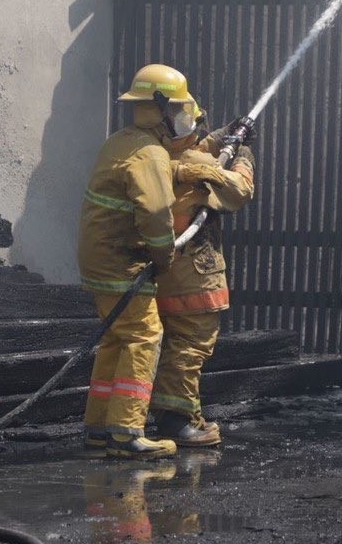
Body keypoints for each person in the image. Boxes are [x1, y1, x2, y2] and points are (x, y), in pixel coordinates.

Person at [78, 63, 203, 460]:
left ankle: (99, 430)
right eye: (180, 108)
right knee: (145, 336)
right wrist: (164, 255)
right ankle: (126, 432)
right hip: (121, 262)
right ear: (161, 107)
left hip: (99, 259)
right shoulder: (149, 153)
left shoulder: (123, 141)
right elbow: (155, 212)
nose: (184, 118)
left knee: (116, 339)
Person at [150, 133, 255, 447]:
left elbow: (195, 148)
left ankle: (188, 416)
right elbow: (240, 190)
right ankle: (175, 421)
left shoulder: (155, 158)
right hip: (194, 277)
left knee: (173, 347)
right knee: (189, 347)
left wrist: (226, 135)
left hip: (167, 273)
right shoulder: (196, 164)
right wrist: (245, 154)